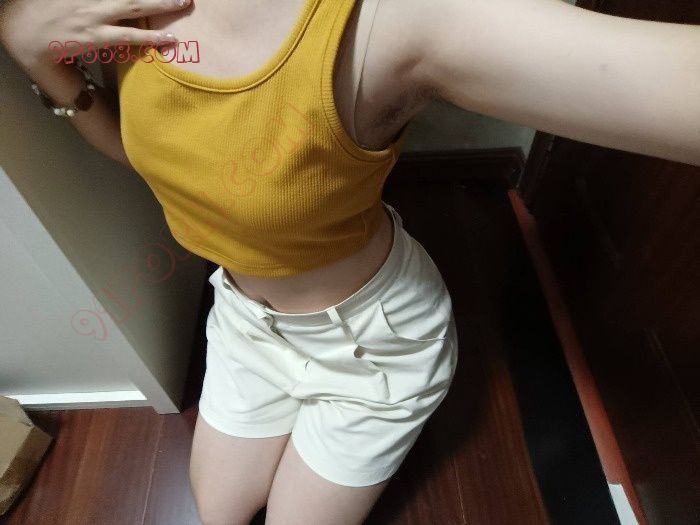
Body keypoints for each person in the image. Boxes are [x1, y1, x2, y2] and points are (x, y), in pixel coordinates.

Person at [1, 1, 698, 523]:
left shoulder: (392, 20)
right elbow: (139, 148)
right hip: (245, 325)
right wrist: (35, 55)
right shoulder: (114, 10)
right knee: (218, 510)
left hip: (373, 348)